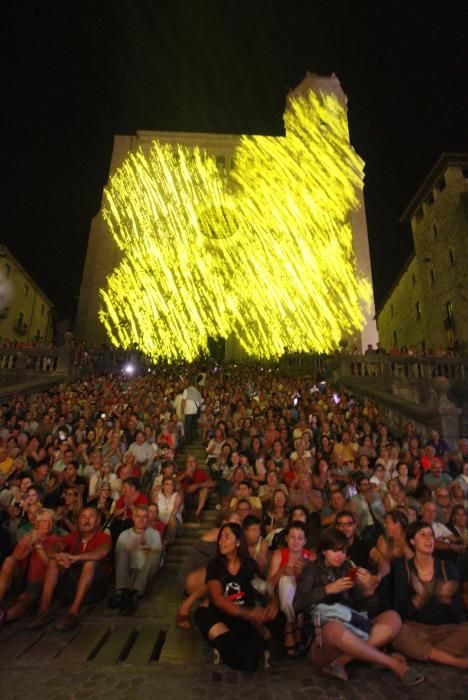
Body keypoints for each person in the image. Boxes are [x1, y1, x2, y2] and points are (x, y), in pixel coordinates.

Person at [293, 528, 424, 685]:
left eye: (343, 551)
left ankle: (341, 661)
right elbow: (298, 604)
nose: (339, 556)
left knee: (393, 617)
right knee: (334, 627)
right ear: (323, 551)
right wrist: (328, 589)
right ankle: (393, 664)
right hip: (324, 639)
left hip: (354, 628)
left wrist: (368, 592)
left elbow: (366, 611)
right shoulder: (312, 569)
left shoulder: (347, 567)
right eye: (334, 551)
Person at [194, 522, 280, 672]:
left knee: (279, 618)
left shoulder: (249, 565)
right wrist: (247, 613)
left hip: (244, 619)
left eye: (226, 537)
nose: (221, 540)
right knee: (201, 614)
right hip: (224, 617)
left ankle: (227, 645)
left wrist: (273, 603)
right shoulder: (215, 565)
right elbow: (217, 599)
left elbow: (264, 589)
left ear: (238, 542)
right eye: (220, 537)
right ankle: (246, 643)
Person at [392, 520, 468, 668]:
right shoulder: (403, 569)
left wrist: (445, 599)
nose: (429, 538)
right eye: (423, 535)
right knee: (397, 633)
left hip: (446, 630)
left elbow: (459, 614)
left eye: (431, 535)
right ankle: (456, 661)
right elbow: (399, 612)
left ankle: (425, 654)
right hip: (416, 629)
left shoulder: (448, 568)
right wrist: (418, 599)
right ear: (412, 541)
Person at [29, 506, 111, 631]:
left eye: (91, 516)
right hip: (71, 587)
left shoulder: (103, 537)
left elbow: (102, 552)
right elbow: (54, 547)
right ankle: (44, 610)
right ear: (78, 521)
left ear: (98, 521)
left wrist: (76, 558)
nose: (86, 520)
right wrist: (58, 555)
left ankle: (73, 612)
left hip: (93, 589)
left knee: (90, 562)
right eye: (83, 516)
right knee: (53, 561)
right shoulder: (73, 536)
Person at [268, 521, 313, 657]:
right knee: (286, 581)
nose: (296, 542)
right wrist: (281, 571)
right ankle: (292, 626)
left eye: (300, 538)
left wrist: (301, 574)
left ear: (305, 541)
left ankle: (292, 627)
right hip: (283, 598)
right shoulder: (279, 554)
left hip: (303, 600)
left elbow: (314, 586)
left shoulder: (310, 557)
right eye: (292, 537)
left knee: (294, 581)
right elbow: (269, 585)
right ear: (287, 538)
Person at [109, 505, 162, 614]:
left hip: (145, 573)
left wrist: (145, 548)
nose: (141, 520)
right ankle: (126, 593)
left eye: (144, 517)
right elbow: (119, 560)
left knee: (156, 554)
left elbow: (156, 561)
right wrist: (130, 547)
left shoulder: (154, 534)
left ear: (148, 518)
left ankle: (129, 593)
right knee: (121, 552)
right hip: (128, 572)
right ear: (133, 517)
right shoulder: (124, 534)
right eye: (138, 516)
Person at [176, 455, 215, 521]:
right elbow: (173, 483)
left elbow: (211, 483)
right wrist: (185, 475)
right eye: (189, 462)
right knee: (178, 486)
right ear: (186, 464)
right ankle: (182, 512)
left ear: (196, 463)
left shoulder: (201, 472)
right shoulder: (181, 473)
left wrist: (197, 486)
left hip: (198, 499)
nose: (191, 463)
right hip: (184, 499)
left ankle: (198, 513)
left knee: (205, 489)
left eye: (193, 461)